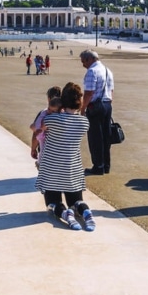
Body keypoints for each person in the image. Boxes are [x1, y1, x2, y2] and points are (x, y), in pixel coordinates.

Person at [34, 82, 97, 231]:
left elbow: (37, 129)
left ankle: (64, 213)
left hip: (51, 170)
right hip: (72, 170)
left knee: (53, 202)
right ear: (80, 102)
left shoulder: (51, 120)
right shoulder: (84, 123)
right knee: (76, 201)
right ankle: (85, 212)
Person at [79, 50, 114, 175]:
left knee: (95, 138)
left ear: (90, 59)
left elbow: (89, 93)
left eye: (84, 61)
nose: (83, 64)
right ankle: (106, 165)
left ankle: (98, 166)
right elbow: (111, 91)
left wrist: (83, 109)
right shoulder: (107, 70)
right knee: (106, 136)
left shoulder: (92, 71)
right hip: (107, 104)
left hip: (95, 106)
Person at [29, 86, 63, 169]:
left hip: (46, 154)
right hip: (61, 154)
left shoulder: (44, 114)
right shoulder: (65, 115)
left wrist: (33, 149)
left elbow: (36, 134)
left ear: (48, 98)